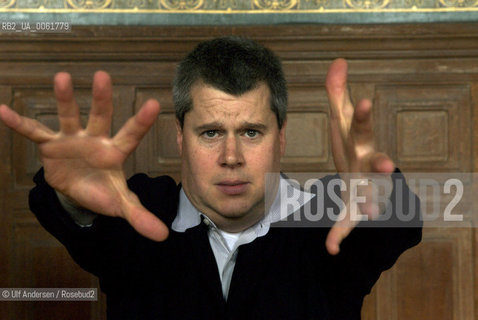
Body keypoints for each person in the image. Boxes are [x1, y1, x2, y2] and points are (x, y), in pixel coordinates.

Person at [0, 36, 421, 319]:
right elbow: (73, 217)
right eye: (211, 133)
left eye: (251, 132)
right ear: (181, 138)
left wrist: (379, 192)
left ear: (281, 138)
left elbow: (399, 221)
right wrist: (75, 200)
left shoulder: (328, 217)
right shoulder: (140, 213)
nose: (231, 157)